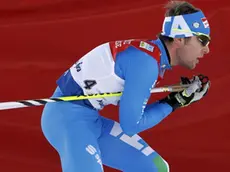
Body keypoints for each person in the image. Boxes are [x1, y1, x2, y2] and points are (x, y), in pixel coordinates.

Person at [41, 1, 211, 172]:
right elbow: (131, 125)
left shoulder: (151, 58)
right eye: (202, 40)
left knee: (156, 168)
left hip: (89, 120)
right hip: (66, 120)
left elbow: (132, 117)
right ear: (180, 39)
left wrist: (175, 100)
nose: (207, 49)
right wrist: (175, 102)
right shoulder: (146, 63)